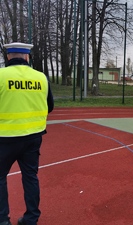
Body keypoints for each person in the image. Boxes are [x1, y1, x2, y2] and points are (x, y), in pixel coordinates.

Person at [0, 42, 54, 225]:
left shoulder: (1, 76)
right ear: (27, 57)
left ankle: (3, 220)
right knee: (30, 177)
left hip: (4, 138)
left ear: (8, 57)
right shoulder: (41, 78)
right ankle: (31, 218)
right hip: (33, 137)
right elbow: (50, 106)